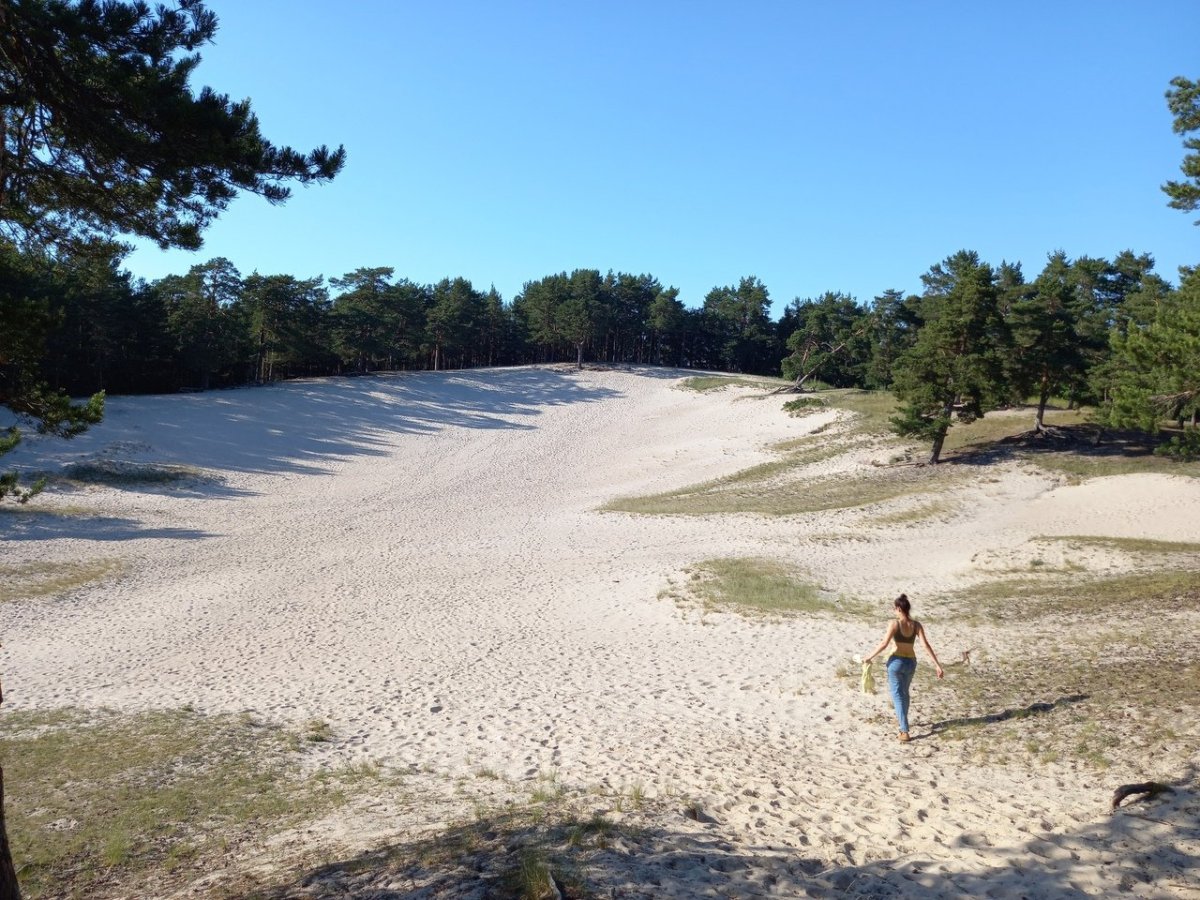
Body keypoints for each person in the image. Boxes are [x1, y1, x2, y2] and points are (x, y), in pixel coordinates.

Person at [863, 593, 943, 742]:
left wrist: (869, 656)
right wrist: (937, 665)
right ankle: (903, 721)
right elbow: (925, 645)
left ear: (899, 609)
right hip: (911, 662)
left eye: (895, 608)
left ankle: (904, 730)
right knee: (905, 693)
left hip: (896, 663)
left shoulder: (895, 624)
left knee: (897, 695)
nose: (894, 611)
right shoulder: (916, 625)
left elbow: (884, 644)